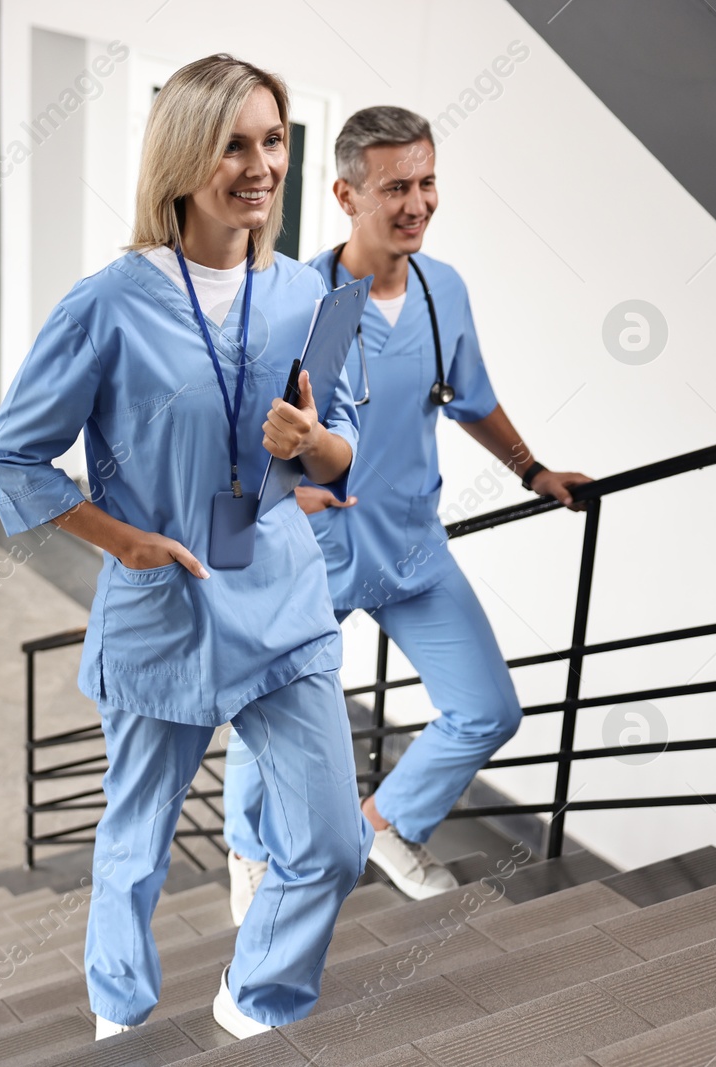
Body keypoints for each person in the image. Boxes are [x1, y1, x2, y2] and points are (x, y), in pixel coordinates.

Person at [0, 55, 371, 1041]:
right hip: (166, 608)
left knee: (330, 841)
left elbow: (342, 444)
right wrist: (123, 540)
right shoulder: (110, 301)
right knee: (136, 843)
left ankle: (253, 1003)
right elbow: (13, 454)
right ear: (183, 155)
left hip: (280, 595)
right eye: (234, 142)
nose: (259, 163)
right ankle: (121, 1016)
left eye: (273, 140)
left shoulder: (305, 295)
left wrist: (312, 443)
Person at [223, 106, 593, 916]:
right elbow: (236, 425)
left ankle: (389, 823)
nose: (416, 202)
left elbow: (471, 398)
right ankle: (248, 854)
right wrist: (281, 485)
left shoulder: (441, 290)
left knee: (488, 708)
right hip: (312, 551)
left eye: (427, 183)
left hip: (411, 549)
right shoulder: (295, 298)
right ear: (346, 195)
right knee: (269, 708)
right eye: (396, 186)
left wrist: (530, 468)